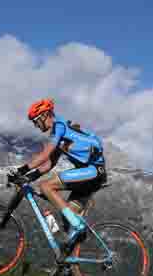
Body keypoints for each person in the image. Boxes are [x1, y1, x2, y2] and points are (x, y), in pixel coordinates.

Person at [10, 98, 107, 254]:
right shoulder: (63, 134)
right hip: (92, 175)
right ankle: (71, 265)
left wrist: (21, 170)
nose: (35, 125)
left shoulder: (59, 127)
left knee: (46, 186)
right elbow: (49, 163)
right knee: (67, 218)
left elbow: (44, 155)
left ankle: (78, 226)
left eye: (35, 121)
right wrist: (31, 176)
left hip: (93, 171)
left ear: (44, 115)